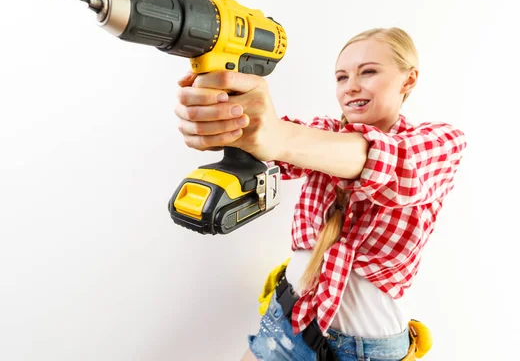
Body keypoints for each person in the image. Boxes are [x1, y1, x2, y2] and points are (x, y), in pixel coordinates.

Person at [173, 27, 467, 361]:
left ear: (409, 80)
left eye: (368, 71)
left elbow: (386, 161)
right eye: (341, 77)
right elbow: (265, 149)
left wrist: (280, 137)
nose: (351, 85)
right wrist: (225, 114)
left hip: (364, 351)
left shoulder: (442, 144)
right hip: (287, 321)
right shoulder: (322, 134)